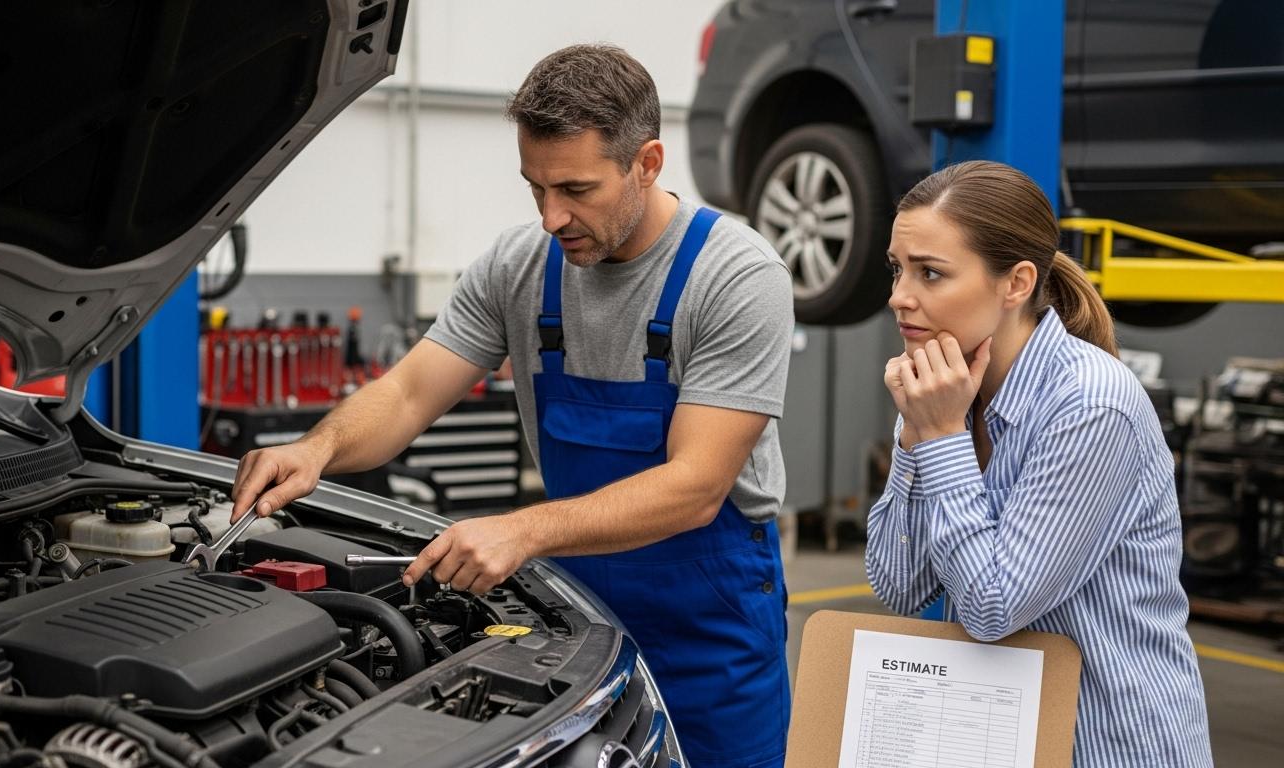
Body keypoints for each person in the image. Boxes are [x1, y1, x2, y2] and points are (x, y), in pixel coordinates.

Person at [231, 44, 794, 768]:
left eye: (577, 188)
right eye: (535, 188)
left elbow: (695, 487)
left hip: (711, 641)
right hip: (581, 624)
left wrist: (521, 533)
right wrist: (318, 449)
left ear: (647, 163)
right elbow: (406, 392)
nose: (552, 215)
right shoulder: (518, 266)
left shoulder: (736, 277)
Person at [866, 160, 1212, 765]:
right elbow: (899, 586)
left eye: (931, 273)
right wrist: (920, 436)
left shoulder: (1091, 406)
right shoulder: (943, 392)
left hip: (1108, 743)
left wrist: (942, 438)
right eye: (898, 269)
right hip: (1003, 740)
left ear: (1017, 283)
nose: (900, 297)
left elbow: (991, 609)